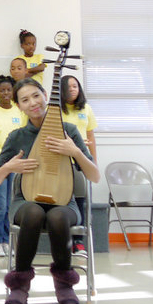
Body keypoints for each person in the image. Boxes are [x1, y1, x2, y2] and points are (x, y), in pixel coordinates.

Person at [0, 79, 100, 304]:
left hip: (64, 202)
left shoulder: (68, 131)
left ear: (46, 95)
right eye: (25, 100)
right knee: (33, 212)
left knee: (58, 217)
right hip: (25, 201)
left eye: (36, 96)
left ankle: (63, 284)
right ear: (19, 106)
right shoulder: (17, 137)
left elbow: (95, 176)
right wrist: (9, 168)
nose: (33, 103)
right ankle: (20, 285)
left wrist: (75, 152)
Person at [61, 74, 98, 254]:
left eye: (75, 86)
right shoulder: (55, 110)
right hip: (63, 161)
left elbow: (91, 136)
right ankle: (64, 240)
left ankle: (78, 242)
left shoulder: (87, 108)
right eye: (68, 87)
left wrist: (94, 162)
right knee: (65, 200)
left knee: (82, 201)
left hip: (82, 160)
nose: (72, 89)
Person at [0, 75, 26, 256]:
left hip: (17, 163)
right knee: (1, 204)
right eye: (2, 90)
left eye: (9, 89)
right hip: (0, 164)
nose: (6, 93)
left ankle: (9, 240)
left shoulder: (19, 112)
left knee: (12, 205)